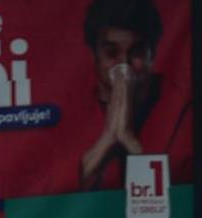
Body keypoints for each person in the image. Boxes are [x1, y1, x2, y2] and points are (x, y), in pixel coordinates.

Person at [74, 0, 194, 191]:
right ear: (94, 56)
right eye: (111, 53)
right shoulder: (73, 112)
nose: (124, 65)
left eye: (136, 52)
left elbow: (177, 192)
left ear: (152, 54)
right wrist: (107, 140)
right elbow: (64, 200)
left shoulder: (185, 109)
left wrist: (128, 139)